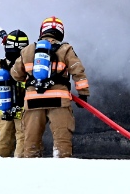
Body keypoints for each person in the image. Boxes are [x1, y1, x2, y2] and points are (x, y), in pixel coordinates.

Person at [11, 16, 90, 158]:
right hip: (58, 101)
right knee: (62, 143)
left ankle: (31, 173)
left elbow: (16, 75)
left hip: (33, 101)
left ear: (42, 31)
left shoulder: (29, 50)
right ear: (60, 33)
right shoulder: (66, 49)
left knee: (31, 143)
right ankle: (61, 172)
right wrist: (83, 93)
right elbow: (77, 71)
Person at [0, 29, 29, 157]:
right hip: (22, 111)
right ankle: (20, 172)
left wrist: (8, 43)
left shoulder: (0, 64)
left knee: (3, 143)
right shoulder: (26, 65)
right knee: (23, 143)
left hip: (5, 111)